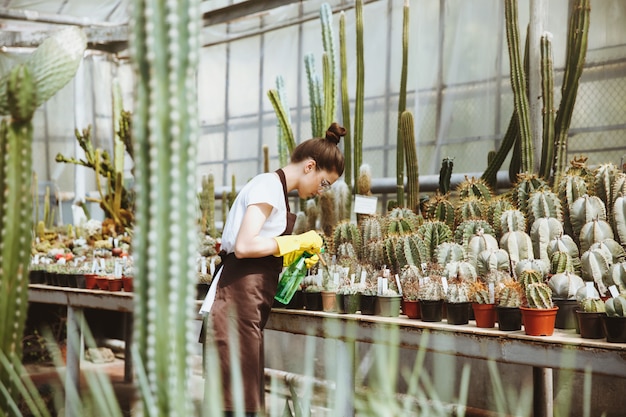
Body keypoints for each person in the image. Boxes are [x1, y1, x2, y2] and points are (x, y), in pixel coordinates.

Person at [200, 123, 346, 417]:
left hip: (245, 309)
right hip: (235, 307)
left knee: (244, 402)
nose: (321, 192)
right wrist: (293, 241)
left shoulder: (276, 191)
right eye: (324, 183)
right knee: (235, 404)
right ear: (310, 166)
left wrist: (294, 258)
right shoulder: (268, 186)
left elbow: (261, 252)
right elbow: (244, 246)